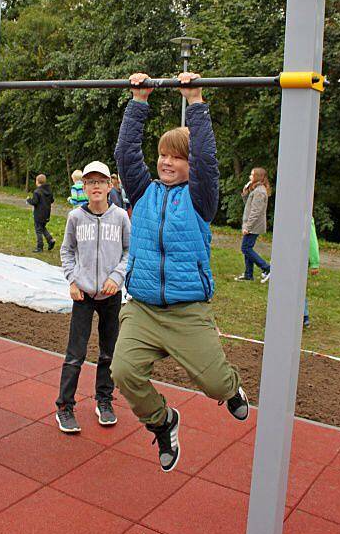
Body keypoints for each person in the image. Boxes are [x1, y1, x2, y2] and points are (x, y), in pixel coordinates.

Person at [111, 72, 248, 473]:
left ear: (190, 165)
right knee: (124, 371)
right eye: (164, 155)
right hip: (144, 310)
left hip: (188, 311)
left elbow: (207, 160)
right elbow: (125, 154)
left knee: (217, 386)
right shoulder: (143, 192)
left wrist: (197, 101)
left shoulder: (201, 198)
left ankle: (232, 388)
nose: (167, 162)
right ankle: (162, 421)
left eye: (177, 157)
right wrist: (139, 102)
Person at [57, 161, 130, 433]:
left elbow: (128, 252)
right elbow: (66, 251)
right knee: (75, 353)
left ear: (110, 186)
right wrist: (73, 280)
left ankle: (104, 400)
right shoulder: (75, 217)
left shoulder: (121, 217)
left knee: (109, 353)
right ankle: (65, 406)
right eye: (90, 182)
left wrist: (116, 277)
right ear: (84, 187)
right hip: (83, 295)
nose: (96, 186)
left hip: (111, 294)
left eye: (101, 181)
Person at [234, 168, 271, 283]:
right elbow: (249, 206)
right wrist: (245, 194)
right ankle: (248, 274)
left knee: (245, 248)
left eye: (252, 174)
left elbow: (256, 211)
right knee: (247, 248)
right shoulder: (256, 190)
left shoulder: (260, 191)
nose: (250, 176)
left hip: (254, 226)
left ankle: (267, 268)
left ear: (258, 177)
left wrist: (248, 227)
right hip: (252, 225)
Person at [26, 174, 55, 253]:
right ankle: (50, 240)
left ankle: (40, 247)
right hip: (46, 214)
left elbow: (34, 202)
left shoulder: (37, 191)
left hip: (38, 214)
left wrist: (29, 200)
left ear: (37, 182)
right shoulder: (49, 190)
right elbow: (52, 200)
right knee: (42, 227)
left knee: (38, 230)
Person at [304, 217, 320, 328]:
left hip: (300, 261)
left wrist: (314, 263)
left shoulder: (306, 217)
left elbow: (312, 239)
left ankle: (304, 315)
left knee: (298, 288)